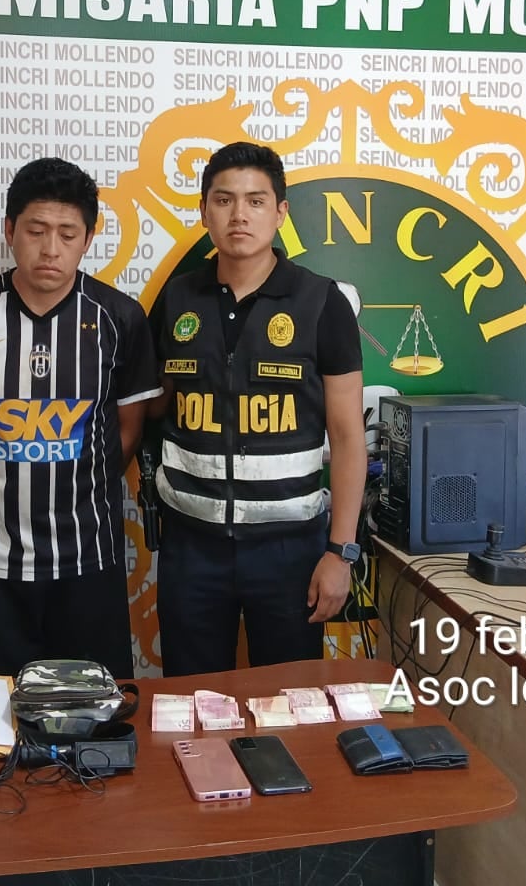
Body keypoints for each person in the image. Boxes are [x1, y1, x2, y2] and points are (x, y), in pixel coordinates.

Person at [0, 158, 160, 680]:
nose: (50, 248)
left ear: (88, 238)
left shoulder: (119, 318)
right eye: (35, 231)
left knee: (90, 724)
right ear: (10, 230)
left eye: (66, 233)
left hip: (87, 562)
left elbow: (128, 429)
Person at [150, 141, 367, 675]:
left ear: (280, 212)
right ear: (204, 211)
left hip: (291, 552)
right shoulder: (176, 301)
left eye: (255, 200)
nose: (239, 215)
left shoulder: (322, 303)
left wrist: (341, 553)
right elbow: (154, 410)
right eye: (223, 200)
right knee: (193, 707)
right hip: (191, 550)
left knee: (292, 706)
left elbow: (346, 436)